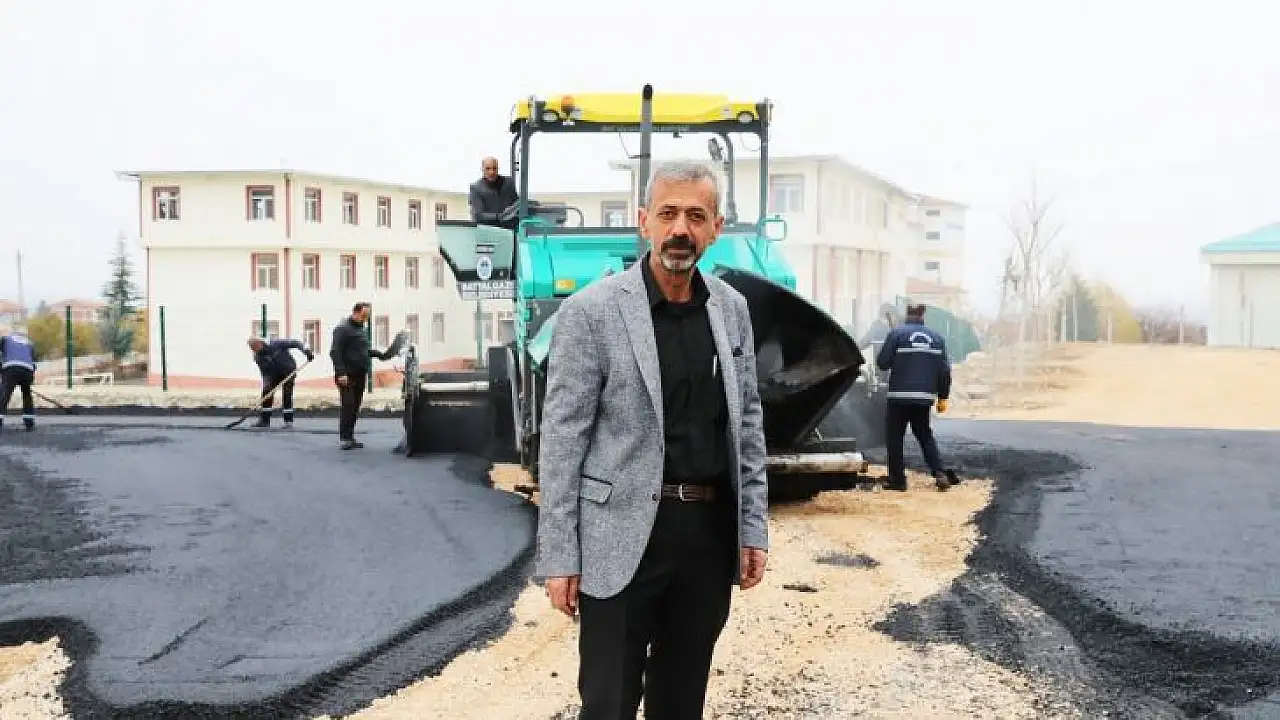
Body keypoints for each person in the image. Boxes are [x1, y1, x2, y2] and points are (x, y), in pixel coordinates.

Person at [537, 159, 769, 719]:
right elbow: (563, 440)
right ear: (644, 221)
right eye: (668, 214)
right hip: (617, 538)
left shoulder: (732, 310)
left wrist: (752, 528)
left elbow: (747, 423)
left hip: (706, 538)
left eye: (696, 216)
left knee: (681, 703)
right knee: (608, 704)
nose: (680, 229)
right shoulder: (590, 313)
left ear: (716, 228)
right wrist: (559, 554)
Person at [875, 302, 955, 491]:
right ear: (923, 314)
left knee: (895, 437)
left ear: (907, 313)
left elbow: (882, 363)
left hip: (899, 397)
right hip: (924, 398)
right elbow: (944, 371)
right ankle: (939, 473)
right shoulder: (937, 338)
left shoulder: (897, 334)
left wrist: (892, 350)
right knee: (924, 435)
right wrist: (943, 396)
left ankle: (898, 481)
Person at [330, 302, 394, 450]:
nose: (366, 318)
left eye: (368, 315)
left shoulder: (361, 329)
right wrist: (341, 372)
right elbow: (335, 351)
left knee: (355, 406)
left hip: (360, 374)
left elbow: (363, 350)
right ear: (356, 312)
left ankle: (350, 437)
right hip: (347, 376)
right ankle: (345, 438)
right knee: (348, 405)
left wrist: (380, 355)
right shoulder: (343, 329)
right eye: (364, 315)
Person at [247, 336, 313, 429]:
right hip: (272, 375)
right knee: (266, 392)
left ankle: (288, 422)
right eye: (253, 348)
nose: (255, 350)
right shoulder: (258, 357)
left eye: (255, 347)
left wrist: (306, 351)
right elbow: (264, 372)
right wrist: (267, 384)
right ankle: (265, 421)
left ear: (260, 343)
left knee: (287, 394)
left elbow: (296, 342)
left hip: (288, 371)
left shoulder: (276, 343)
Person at [0, 325, 38, 432]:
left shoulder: (6, 339)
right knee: (27, 394)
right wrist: (29, 379)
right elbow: (33, 362)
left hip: (11, 368)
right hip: (27, 370)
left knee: (4, 394)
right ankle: (29, 422)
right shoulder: (30, 343)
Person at [468, 156, 520, 229]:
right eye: (488, 168)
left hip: (510, 228)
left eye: (494, 168)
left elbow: (516, 204)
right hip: (489, 230)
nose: (491, 172)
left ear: (498, 169)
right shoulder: (476, 188)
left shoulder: (509, 183)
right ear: (482, 169)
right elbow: (478, 215)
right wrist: (500, 216)